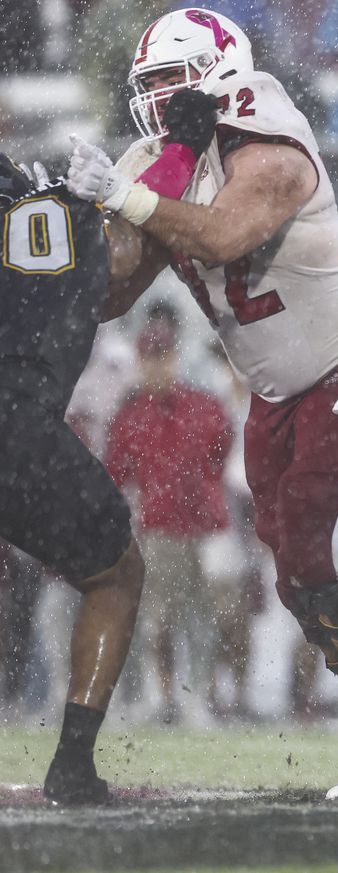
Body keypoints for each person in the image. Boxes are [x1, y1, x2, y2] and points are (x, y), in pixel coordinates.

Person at [63, 8, 338, 802]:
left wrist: (127, 196)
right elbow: (112, 292)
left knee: (316, 551)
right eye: (150, 84)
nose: (160, 98)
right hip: (275, 394)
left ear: (220, 73)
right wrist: (84, 222)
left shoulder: (267, 124)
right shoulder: (159, 160)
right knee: (297, 583)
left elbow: (224, 236)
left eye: (175, 80)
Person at [0, 156, 147, 804]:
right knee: (115, 574)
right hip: (15, 425)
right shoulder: (59, 206)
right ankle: (72, 764)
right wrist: (111, 202)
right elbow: (124, 265)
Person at [106, 306, 233, 724]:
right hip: (157, 529)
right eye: (150, 356)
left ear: (174, 357)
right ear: (140, 360)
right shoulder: (130, 415)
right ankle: (160, 697)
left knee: (203, 617)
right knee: (156, 619)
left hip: (205, 528)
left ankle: (198, 698)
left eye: (162, 356)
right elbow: (116, 475)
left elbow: (222, 455)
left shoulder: (202, 405)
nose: (156, 365)